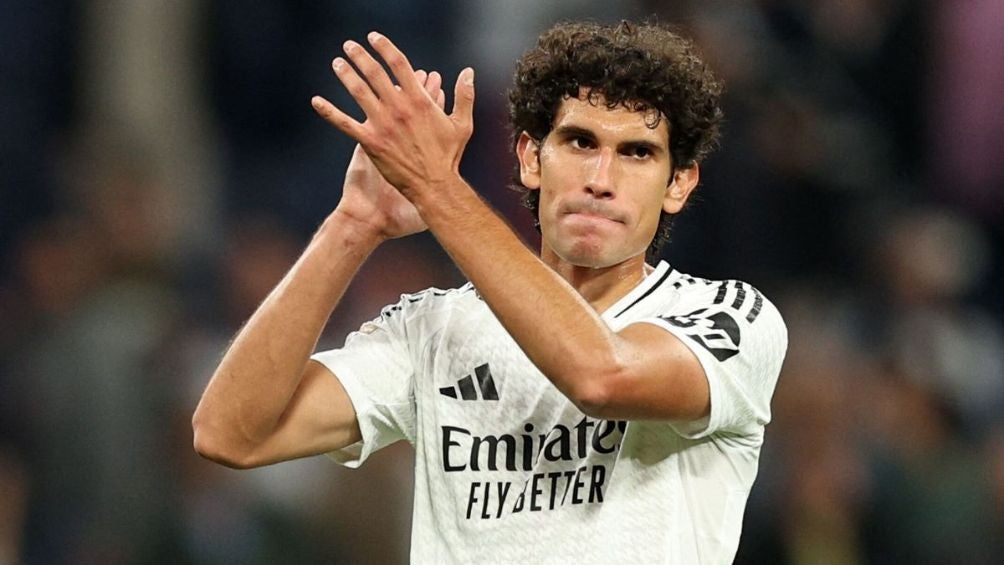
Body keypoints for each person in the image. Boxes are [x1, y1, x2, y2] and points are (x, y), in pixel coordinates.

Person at [193, 20, 787, 564]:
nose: (601, 180)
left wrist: (435, 189)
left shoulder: (730, 317)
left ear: (678, 184)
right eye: (580, 143)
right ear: (531, 158)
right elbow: (231, 433)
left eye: (636, 153)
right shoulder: (434, 329)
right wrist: (353, 224)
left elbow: (602, 377)